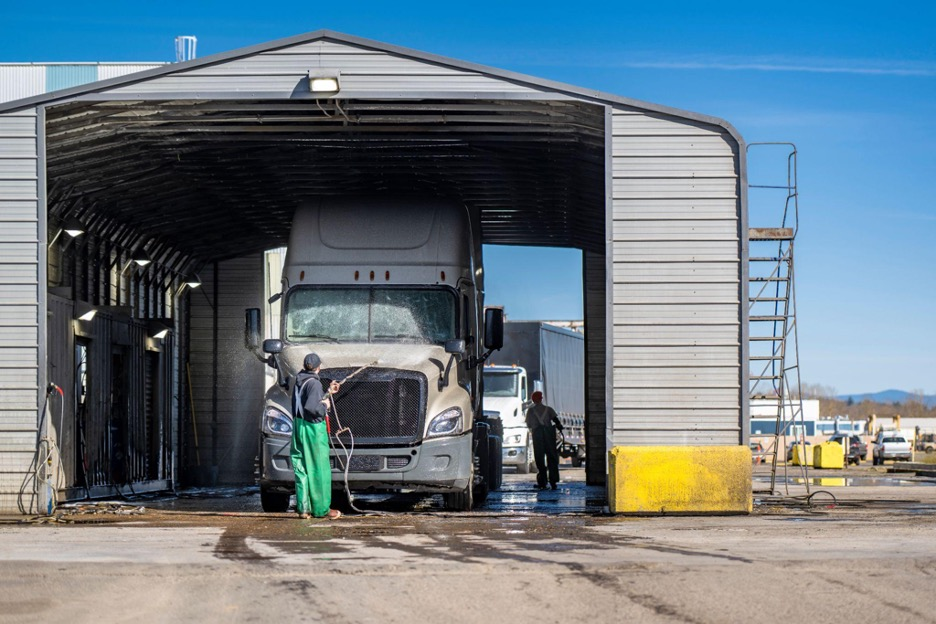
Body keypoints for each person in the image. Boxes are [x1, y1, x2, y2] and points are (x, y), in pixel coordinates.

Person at [291, 352, 342, 519]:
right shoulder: (314, 384)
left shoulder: (300, 380)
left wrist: (328, 393)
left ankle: (303, 508)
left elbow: (306, 402)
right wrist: (325, 406)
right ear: (319, 367)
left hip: (299, 427)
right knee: (319, 469)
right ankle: (321, 510)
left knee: (302, 468)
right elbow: (312, 408)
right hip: (313, 429)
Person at [525, 390, 563, 490]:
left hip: (537, 436)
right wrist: (559, 427)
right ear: (541, 399)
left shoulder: (530, 411)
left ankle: (542, 482)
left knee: (539, 459)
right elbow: (557, 421)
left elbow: (528, 424)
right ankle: (553, 481)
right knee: (552, 458)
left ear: (533, 399)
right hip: (549, 435)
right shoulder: (549, 409)